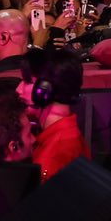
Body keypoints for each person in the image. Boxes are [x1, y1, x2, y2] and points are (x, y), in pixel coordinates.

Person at [15, 46, 88, 180]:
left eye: (27, 81)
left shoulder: (51, 156)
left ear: (45, 89)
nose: (18, 90)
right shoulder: (68, 133)